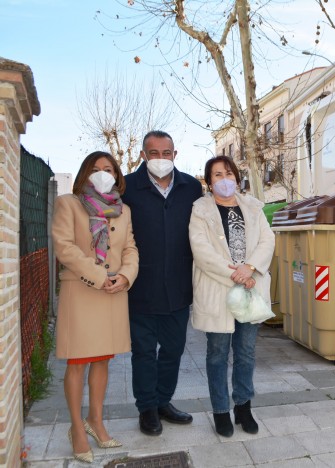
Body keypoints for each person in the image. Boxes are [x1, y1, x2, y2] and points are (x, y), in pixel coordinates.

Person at [52, 151, 139, 463]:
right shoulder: (68, 203)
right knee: (77, 362)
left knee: (102, 361)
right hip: (82, 290)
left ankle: (96, 421)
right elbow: (64, 246)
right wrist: (99, 276)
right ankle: (77, 428)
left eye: (109, 169)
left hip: (113, 292)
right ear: (84, 173)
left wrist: (126, 276)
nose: (103, 173)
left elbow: (130, 248)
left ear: (117, 175)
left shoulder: (123, 210)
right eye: (96, 168)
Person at [121, 131, 202, 436]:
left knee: (173, 349)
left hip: (179, 287)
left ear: (175, 154)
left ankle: (163, 401)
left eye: (165, 153)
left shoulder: (191, 187)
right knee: (143, 352)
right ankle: (147, 409)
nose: (160, 159)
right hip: (141, 288)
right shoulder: (128, 187)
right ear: (143, 155)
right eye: (153, 153)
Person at [188, 156, 275, 437]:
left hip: (251, 288)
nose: (224, 179)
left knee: (246, 354)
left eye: (228, 173)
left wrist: (250, 268)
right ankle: (221, 410)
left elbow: (267, 240)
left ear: (237, 177)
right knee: (217, 354)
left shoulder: (253, 207)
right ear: (209, 182)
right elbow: (201, 251)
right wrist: (235, 274)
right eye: (216, 175)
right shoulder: (200, 210)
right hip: (218, 290)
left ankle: (243, 407)